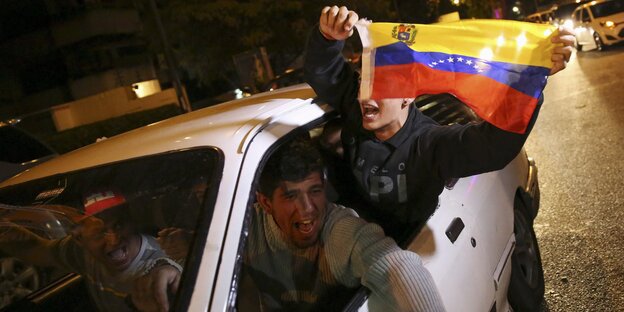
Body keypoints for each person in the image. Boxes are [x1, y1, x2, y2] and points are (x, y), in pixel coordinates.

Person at [304, 5, 575, 240]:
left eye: (381, 86)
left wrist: (530, 82)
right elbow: (325, 72)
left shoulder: (429, 144)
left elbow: (494, 146)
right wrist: (327, 37)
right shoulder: (358, 108)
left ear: (408, 97)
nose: (365, 95)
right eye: (364, 81)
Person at [238, 138, 445, 311]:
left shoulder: (340, 228)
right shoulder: (243, 230)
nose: (308, 208)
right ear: (265, 203)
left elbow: (397, 265)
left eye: (315, 191)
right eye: (291, 196)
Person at [0, 189, 181, 312]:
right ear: (79, 238)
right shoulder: (83, 253)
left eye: (119, 225)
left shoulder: (161, 260)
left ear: (131, 221)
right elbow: (39, 250)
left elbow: (169, 271)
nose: (114, 240)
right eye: (100, 232)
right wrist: (5, 230)